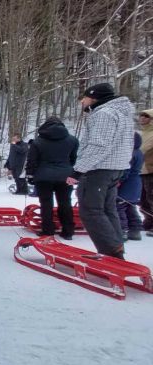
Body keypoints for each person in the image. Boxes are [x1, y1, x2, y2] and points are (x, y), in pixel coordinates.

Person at [69, 83, 135, 259]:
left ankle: (110, 252)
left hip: (99, 169)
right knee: (107, 209)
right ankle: (115, 247)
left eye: (84, 97)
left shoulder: (104, 114)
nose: (82, 101)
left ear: (94, 97)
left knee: (90, 210)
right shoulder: (122, 113)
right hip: (115, 167)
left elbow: (99, 146)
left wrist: (78, 170)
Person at [25, 117, 79, 240]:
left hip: (43, 176)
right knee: (65, 203)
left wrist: (30, 174)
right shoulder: (72, 140)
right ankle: (68, 230)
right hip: (65, 175)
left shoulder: (38, 141)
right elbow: (73, 159)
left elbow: (32, 161)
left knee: (46, 204)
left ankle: (48, 230)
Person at [117, 132, 144, 241]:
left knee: (119, 207)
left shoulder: (129, 153)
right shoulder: (139, 152)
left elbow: (126, 170)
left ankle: (122, 231)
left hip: (127, 184)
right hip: (136, 183)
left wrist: (119, 180)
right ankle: (135, 230)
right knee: (130, 207)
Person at [138, 109, 153, 236]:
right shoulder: (142, 133)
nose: (142, 118)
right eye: (141, 115)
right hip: (141, 170)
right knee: (143, 199)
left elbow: (142, 149)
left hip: (150, 170)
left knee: (151, 197)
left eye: (146, 116)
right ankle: (148, 221)